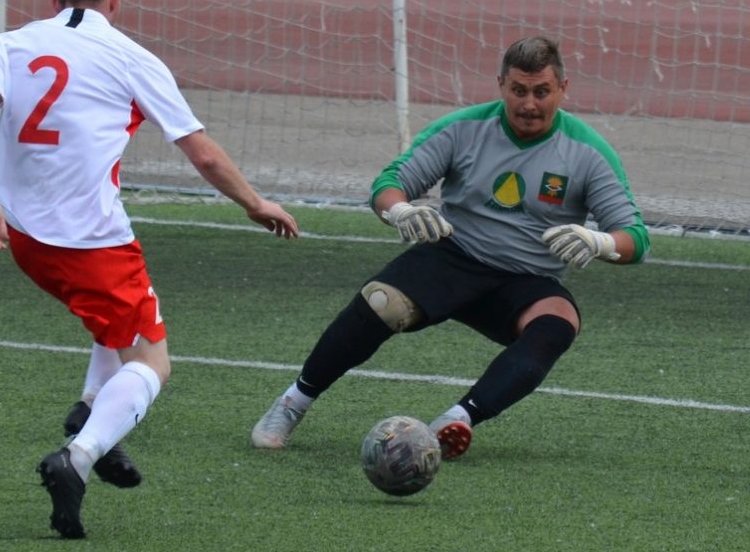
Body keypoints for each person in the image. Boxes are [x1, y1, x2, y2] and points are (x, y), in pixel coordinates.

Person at [0, 0, 300, 540]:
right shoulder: (130, 56)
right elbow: (202, 151)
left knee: (118, 316)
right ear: (115, 0)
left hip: (20, 235)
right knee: (153, 362)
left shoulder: (13, 41)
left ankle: (93, 404)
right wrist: (255, 203)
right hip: (90, 243)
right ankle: (81, 454)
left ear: (54, 0)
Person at [250, 35, 649, 460]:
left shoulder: (588, 152)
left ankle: (455, 419)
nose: (529, 104)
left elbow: (636, 238)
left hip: (527, 279)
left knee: (559, 321)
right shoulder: (463, 129)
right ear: (500, 85)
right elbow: (390, 185)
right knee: (380, 302)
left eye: (541, 92)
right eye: (518, 90)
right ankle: (293, 402)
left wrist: (600, 241)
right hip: (453, 256)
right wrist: (399, 211)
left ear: (563, 90)